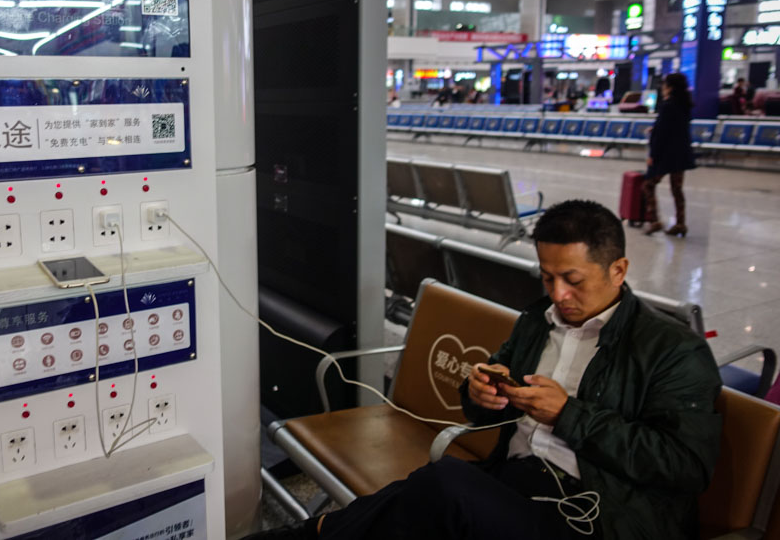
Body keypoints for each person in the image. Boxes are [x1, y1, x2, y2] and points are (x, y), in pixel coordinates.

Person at [248, 200, 721, 540]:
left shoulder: (672, 350)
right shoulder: (538, 321)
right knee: (416, 497)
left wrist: (569, 414)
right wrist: (480, 393)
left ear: (618, 270)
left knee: (441, 486)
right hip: (516, 481)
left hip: (597, 514)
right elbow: (484, 407)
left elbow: (687, 467)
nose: (558, 294)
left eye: (573, 279)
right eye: (547, 276)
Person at [643, 72, 696, 236]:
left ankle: (654, 221)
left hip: (666, 155)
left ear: (670, 87)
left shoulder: (668, 106)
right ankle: (680, 223)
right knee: (677, 189)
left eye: (664, 84)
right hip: (681, 154)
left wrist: (653, 155)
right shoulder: (684, 105)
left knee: (648, 184)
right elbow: (675, 128)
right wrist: (656, 128)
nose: (662, 87)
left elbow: (662, 134)